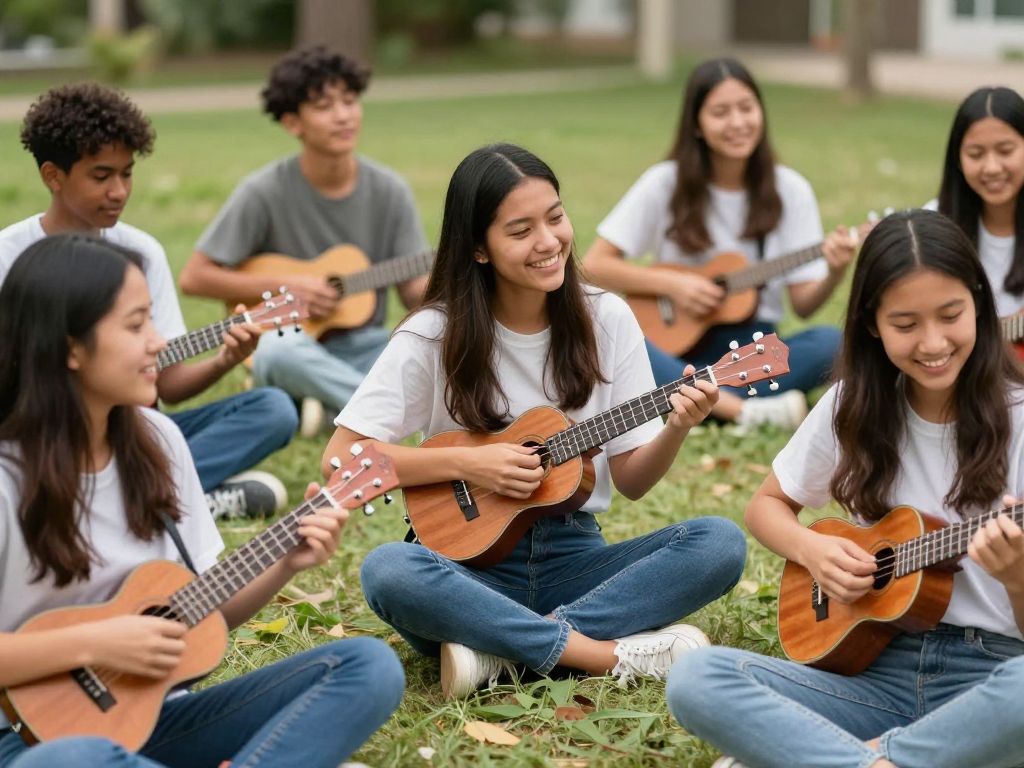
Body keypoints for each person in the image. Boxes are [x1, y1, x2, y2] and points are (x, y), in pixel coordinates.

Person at [323, 143, 747, 699]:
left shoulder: (607, 318)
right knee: (389, 570)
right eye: (520, 231)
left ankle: (500, 654)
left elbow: (635, 481)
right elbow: (340, 461)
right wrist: (473, 462)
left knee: (719, 542)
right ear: (478, 248)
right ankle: (594, 653)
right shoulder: (433, 334)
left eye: (555, 217)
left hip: (577, 557)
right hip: (464, 572)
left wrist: (677, 426)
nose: (549, 242)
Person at [0, 235, 404, 768]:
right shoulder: (8, 477)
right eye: (135, 324)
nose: (157, 342)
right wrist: (98, 645)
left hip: (155, 720)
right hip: (27, 743)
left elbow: (197, 610)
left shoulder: (158, 441)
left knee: (368, 667)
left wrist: (287, 560)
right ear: (70, 347)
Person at [667, 210, 1024, 768]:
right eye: (905, 324)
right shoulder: (850, 405)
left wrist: (1016, 579)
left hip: (993, 675)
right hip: (873, 668)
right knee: (695, 676)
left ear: (980, 304)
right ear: (872, 324)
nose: (932, 342)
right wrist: (812, 548)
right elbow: (766, 506)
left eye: (950, 315)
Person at [0, 83, 297, 519]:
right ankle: (179, 500)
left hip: (131, 434)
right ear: (53, 175)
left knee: (273, 409)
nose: (119, 191)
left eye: (127, 173)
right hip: (37, 438)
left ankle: (141, 499)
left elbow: (167, 386)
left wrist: (226, 359)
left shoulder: (143, 253)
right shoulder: (9, 254)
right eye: (101, 176)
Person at [583, 57, 856, 430]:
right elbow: (594, 265)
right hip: (673, 346)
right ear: (696, 123)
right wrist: (674, 285)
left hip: (752, 350)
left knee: (833, 343)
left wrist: (835, 271)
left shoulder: (789, 190)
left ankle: (681, 400)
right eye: (721, 112)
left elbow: (805, 305)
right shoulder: (665, 183)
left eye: (747, 108)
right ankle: (741, 411)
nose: (738, 123)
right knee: (606, 330)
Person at [179, 46, 430, 436]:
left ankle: (324, 405)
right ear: (293, 122)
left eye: (350, 101)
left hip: (362, 346)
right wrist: (287, 288)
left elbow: (415, 291)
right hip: (289, 344)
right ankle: (380, 417)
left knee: (424, 351)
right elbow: (195, 277)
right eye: (325, 106)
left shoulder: (389, 190)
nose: (343, 115)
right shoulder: (263, 191)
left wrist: (454, 286)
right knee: (278, 351)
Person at [936, 86, 1024, 319]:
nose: (992, 168)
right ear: (958, 159)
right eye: (976, 154)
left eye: (1005, 151)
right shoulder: (934, 224)